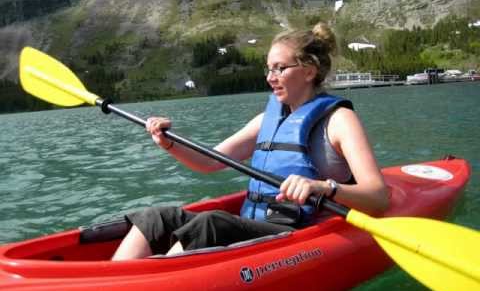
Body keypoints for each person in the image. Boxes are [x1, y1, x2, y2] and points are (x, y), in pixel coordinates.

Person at [112, 22, 389, 260]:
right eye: (269, 69)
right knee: (156, 217)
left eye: (280, 68)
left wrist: (322, 187)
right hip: (253, 224)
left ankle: (154, 290)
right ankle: (119, 282)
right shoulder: (265, 120)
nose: (271, 78)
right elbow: (210, 161)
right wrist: (168, 142)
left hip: (294, 230)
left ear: (309, 71)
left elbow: (378, 196)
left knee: (212, 223)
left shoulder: (339, 119)